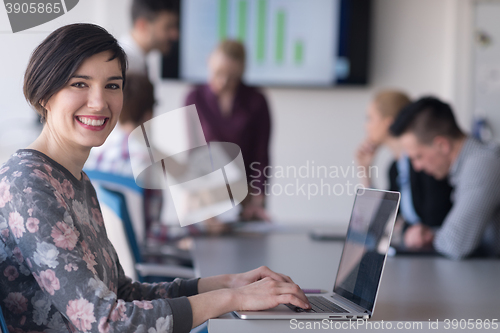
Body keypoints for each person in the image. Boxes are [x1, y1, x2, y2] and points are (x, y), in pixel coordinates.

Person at [0, 23, 309, 332]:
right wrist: (231, 298)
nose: (99, 102)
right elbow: (109, 322)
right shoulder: (28, 183)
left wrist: (231, 283)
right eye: (79, 84)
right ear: (43, 94)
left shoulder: (75, 180)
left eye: (112, 85)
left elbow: (124, 293)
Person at [85, 73, 206, 245]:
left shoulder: (98, 153)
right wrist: (200, 227)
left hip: (103, 257)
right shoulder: (144, 160)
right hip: (140, 263)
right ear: (149, 114)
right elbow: (148, 234)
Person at [390, 96, 500, 259]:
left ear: (442, 145)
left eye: (418, 156)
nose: (417, 167)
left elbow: (455, 244)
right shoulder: (468, 166)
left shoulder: (482, 165)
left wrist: (432, 235)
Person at [185, 40, 271, 221]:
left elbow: (261, 156)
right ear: (209, 62)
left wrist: (258, 199)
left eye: (232, 77)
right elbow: (194, 152)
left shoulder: (257, 101)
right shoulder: (194, 98)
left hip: (245, 198)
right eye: (218, 73)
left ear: (242, 72)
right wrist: (194, 198)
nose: (223, 82)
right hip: (207, 196)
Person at [356, 90, 453, 249]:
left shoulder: (425, 164)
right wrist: (364, 170)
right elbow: (379, 224)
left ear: (388, 123)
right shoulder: (395, 168)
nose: (365, 125)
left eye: (370, 118)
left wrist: (404, 228)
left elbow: (433, 222)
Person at [120, 0, 179, 75]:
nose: (176, 35)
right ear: (143, 26)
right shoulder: (120, 63)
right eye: (168, 27)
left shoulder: (148, 61)